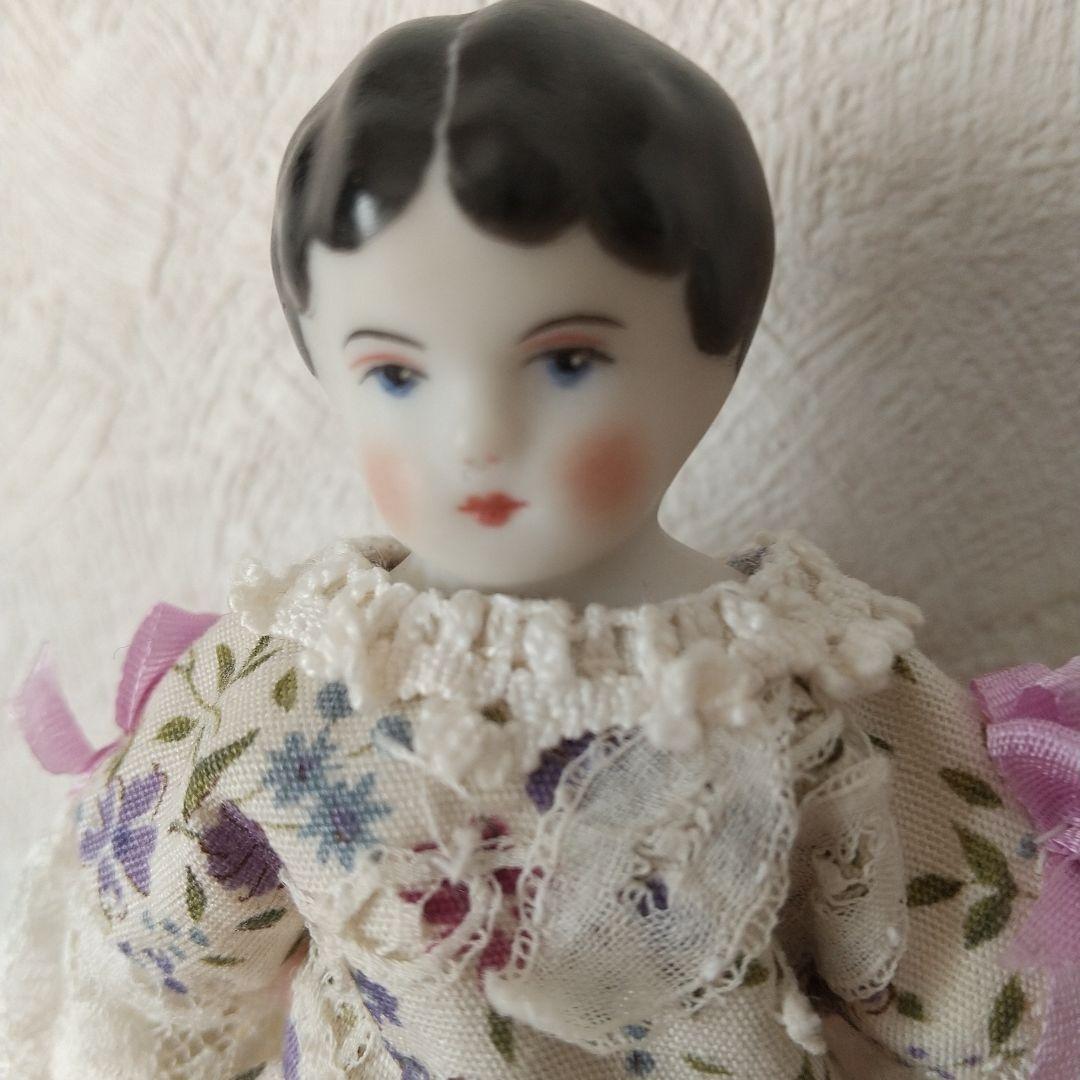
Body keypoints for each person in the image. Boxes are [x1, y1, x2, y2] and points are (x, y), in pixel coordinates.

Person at [1, 2, 1067, 1077]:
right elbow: (142, 994)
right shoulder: (275, 690)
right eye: (396, 374)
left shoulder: (809, 689)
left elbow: (983, 995)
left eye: (565, 362)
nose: (476, 438)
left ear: (715, 354)